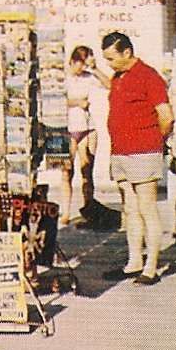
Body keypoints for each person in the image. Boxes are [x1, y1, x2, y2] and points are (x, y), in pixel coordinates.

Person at [99, 31, 173, 285]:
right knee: (129, 209)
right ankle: (134, 262)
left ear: (126, 53)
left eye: (111, 58)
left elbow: (166, 116)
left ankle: (151, 267)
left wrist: (154, 142)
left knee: (146, 208)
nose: (109, 64)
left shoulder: (149, 76)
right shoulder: (118, 78)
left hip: (143, 151)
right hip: (120, 151)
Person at [65, 44, 100, 220]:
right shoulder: (63, 79)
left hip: (87, 127)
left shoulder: (88, 77)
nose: (82, 68)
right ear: (72, 61)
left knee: (87, 170)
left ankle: (89, 207)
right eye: (80, 63)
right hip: (69, 127)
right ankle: (65, 211)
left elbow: (109, 85)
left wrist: (94, 67)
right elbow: (53, 101)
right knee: (67, 171)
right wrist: (76, 102)